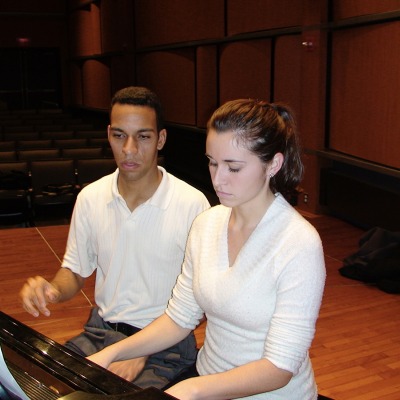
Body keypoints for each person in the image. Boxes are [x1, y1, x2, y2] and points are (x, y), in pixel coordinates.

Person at [87, 99, 326, 399]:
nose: (218, 178)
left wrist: (192, 389)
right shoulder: (207, 224)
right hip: (207, 376)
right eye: (212, 162)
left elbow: (279, 367)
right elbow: (178, 319)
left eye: (233, 167)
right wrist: (112, 353)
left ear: (274, 165)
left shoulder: (298, 242)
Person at [19, 86, 210, 389]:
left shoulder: (193, 205)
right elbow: (75, 271)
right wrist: (53, 289)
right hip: (100, 333)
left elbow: (201, 301)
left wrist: (140, 350)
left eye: (143, 137)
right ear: (108, 134)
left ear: (161, 139)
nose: (129, 149)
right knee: (41, 386)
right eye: (119, 135)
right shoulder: (90, 197)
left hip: (165, 343)